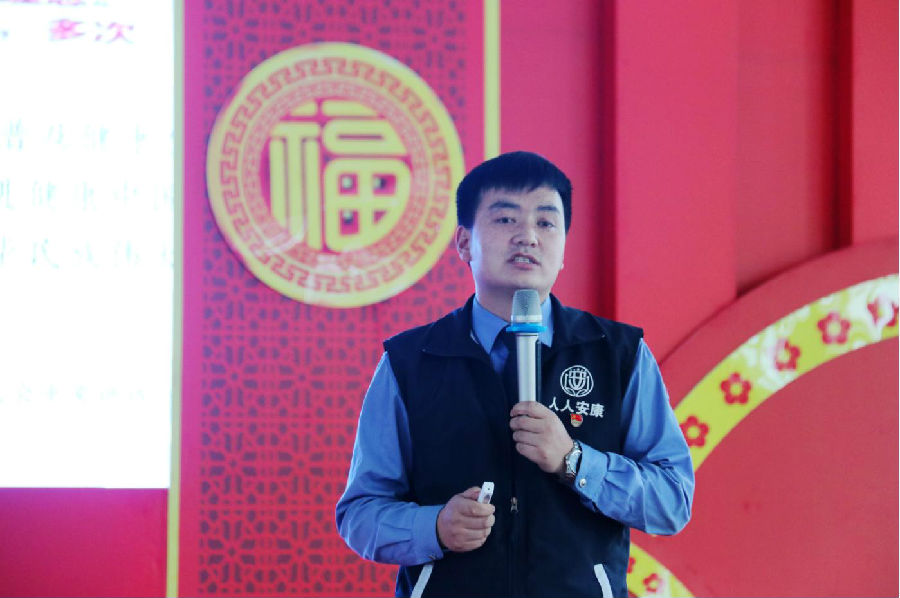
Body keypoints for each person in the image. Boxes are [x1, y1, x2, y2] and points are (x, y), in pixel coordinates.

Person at [336, 151, 694, 597]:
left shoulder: (617, 354)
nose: (528, 236)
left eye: (546, 222)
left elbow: (672, 501)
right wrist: (435, 527)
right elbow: (360, 515)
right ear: (464, 242)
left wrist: (574, 461)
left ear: (563, 247)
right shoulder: (410, 361)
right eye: (506, 219)